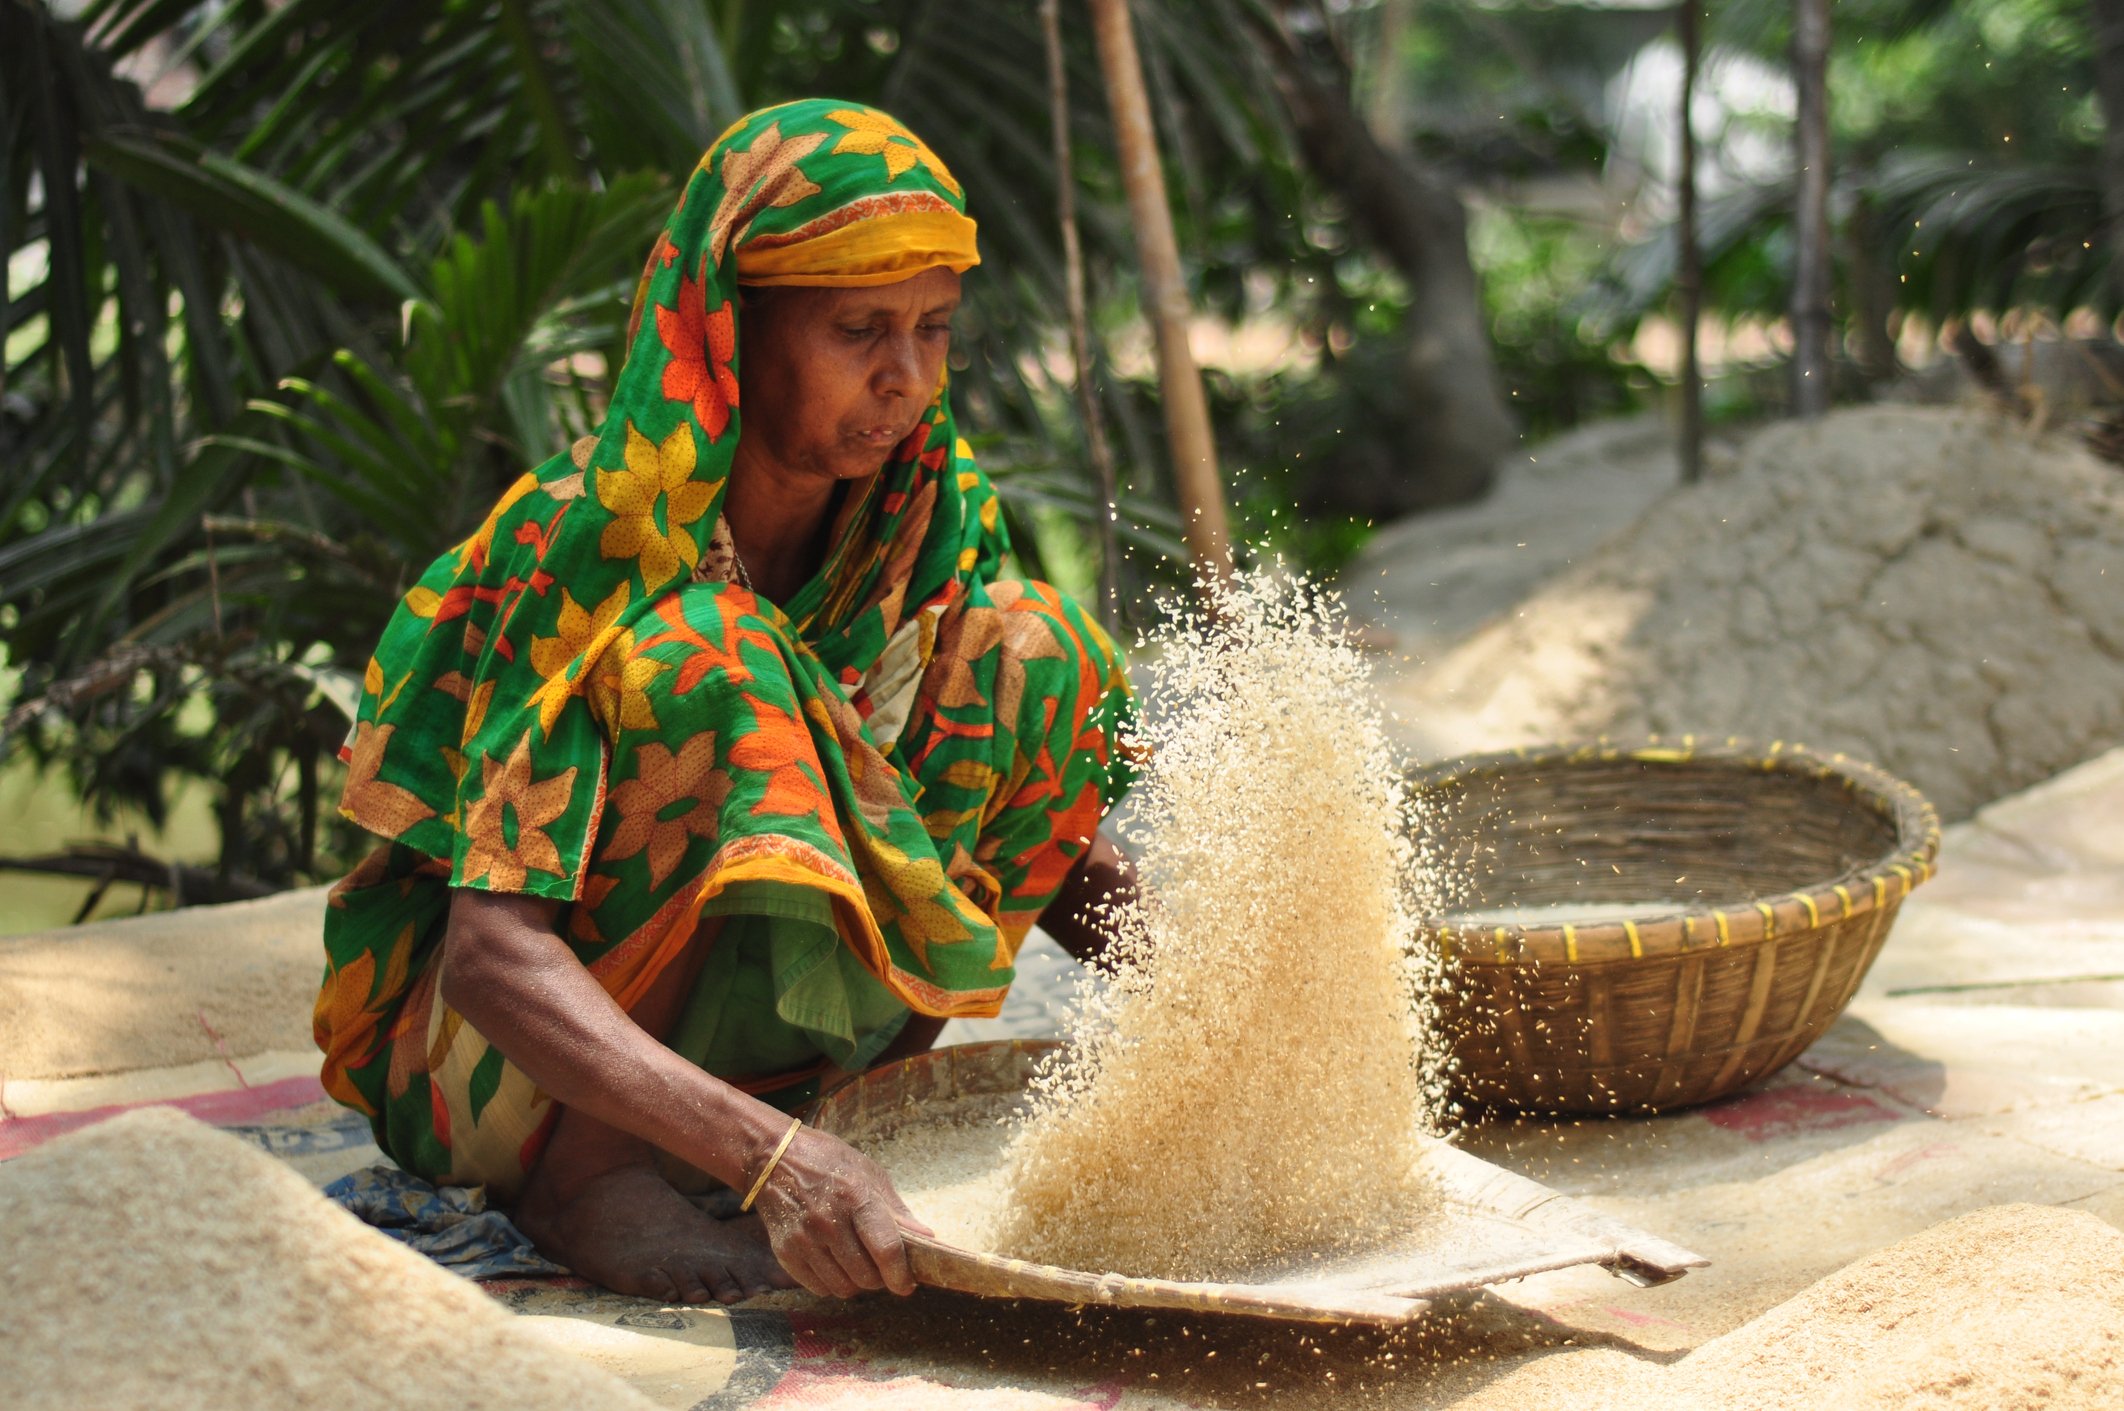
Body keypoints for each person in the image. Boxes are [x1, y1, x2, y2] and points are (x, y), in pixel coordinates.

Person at [313, 99, 1136, 1308]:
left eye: (933, 329)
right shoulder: (590, 545)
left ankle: (863, 1121)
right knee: (716, 659)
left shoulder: (924, 523)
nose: (903, 376)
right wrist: (772, 1161)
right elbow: (492, 961)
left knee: (1036, 651)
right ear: (730, 328)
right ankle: (594, 1181)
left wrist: (1252, 1014)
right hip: (494, 1072)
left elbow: (1047, 827)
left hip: (769, 1101)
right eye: (858, 328)